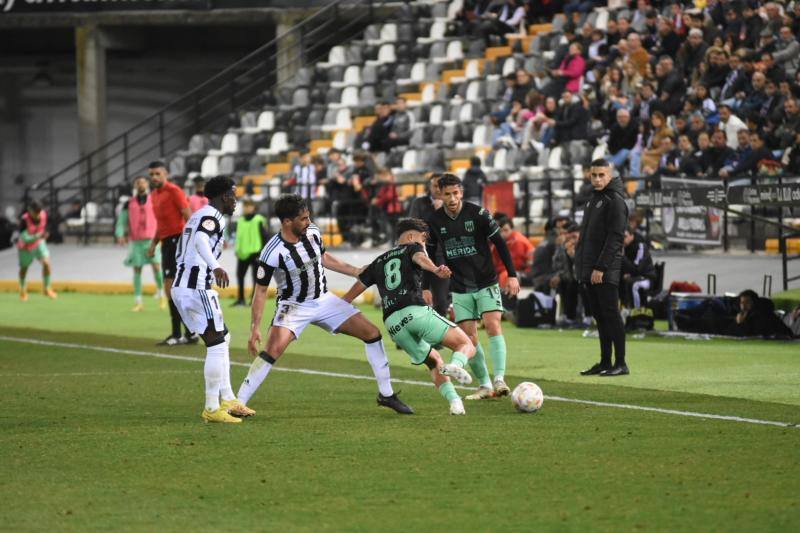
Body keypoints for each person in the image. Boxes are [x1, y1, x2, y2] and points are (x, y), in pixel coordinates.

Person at [237, 194, 413, 414]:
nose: (308, 222)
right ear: (287, 222)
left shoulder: (312, 232)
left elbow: (324, 257)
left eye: (308, 216)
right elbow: (260, 291)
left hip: (324, 300)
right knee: (271, 352)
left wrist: (354, 270)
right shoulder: (272, 252)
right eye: (302, 218)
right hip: (293, 306)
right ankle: (239, 402)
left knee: (372, 333)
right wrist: (255, 328)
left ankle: (386, 395)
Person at [342, 218, 477, 415]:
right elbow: (421, 259)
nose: (424, 245)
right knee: (466, 345)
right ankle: (455, 366)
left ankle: (455, 402)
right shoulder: (413, 248)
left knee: (434, 361)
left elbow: (354, 290)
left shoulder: (378, 261)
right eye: (423, 239)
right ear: (412, 236)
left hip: (393, 325)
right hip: (414, 311)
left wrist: (339, 306)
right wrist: (435, 269)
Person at [425, 174, 520, 400]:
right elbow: (428, 253)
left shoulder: (478, 214)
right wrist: (426, 285)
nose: (451, 198)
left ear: (461, 193)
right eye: (446, 194)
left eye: (455, 193)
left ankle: (499, 378)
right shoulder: (435, 220)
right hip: (459, 286)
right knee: (469, 338)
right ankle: (485, 385)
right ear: (440, 194)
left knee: (493, 324)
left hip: (486, 281)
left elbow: (500, 243)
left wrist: (513, 275)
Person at [171, 176, 254, 423]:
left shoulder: (197, 214)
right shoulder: (213, 216)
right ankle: (211, 406)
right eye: (233, 195)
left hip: (184, 285)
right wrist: (216, 266)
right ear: (223, 196)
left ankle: (227, 398)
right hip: (196, 287)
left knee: (222, 337)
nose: (236, 200)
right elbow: (200, 240)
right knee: (217, 343)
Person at [575, 159, 629, 377]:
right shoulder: (593, 200)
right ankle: (605, 361)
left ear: (610, 175)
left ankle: (621, 363)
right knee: (600, 317)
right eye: (594, 175)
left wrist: (600, 267)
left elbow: (615, 238)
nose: (597, 179)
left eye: (601, 175)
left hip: (604, 270)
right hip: (591, 270)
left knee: (611, 315)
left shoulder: (615, 200)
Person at [146, 161, 194, 346]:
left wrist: (192, 241)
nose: (154, 177)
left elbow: (188, 216)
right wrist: (153, 244)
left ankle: (177, 333)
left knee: (170, 287)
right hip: (166, 242)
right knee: (173, 289)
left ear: (165, 173)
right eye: (151, 174)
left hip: (178, 240)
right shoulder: (154, 195)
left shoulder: (174, 191)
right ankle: (189, 333)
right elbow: (161, 223)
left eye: (157, 173)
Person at [115, 176, 166, 312]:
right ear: (135, 186)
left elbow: (162, 217)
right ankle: (138, 302)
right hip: (136, 242)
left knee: (157, 268)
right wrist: (120, 234)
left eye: (143, 182)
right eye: (138, 183)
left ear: (147, 184)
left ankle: (162, 296)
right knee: (137, 270)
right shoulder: (129, 203)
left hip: (152, 240)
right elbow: (121, 221)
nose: (141, 185)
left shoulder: (155, 199)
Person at [408, 173, 450, 318]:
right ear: (429, 187)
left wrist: (442, 211)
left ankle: (440, 337)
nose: (438, 189)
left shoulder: (451, 205)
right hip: (420, 255)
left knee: (441, 301)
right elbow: (414, 226)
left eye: (441, 186)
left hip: (442, 256)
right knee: (416, 298)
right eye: (435, 186)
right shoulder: (419, 203)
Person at [17, 199, 56, 301]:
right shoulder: (24, 220)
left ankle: (47, 288)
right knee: (24, 269)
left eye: (39, 212)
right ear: (30, 210)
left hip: (38, 243)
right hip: (25, 247)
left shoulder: (43, 214)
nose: (38, 215)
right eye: (36, 212)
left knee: (47, 263)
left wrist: (46, 233)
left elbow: (46, 227)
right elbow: (25, 238)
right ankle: (23, 290)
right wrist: (39, 235)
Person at [232, 198, 269, 306]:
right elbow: (239, 237)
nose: (246, 208)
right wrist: (237, 250)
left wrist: (262, 252)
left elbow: (265, 237)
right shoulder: (240, 220)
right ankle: (241, 299)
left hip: (255, 253)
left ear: (253, 207)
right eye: (245, 206)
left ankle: (253, 300)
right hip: (242, 253)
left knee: (255, 278)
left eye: (249, 206)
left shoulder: (259, 219)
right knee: (240, 276)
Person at [492, 213, 534, 290]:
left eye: (506, 230)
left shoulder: (518, 242)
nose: (503, 233)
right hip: (508, 271)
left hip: (525, 272)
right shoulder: (499, 243)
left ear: (512, 229)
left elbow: (516, 264)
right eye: (501, 231)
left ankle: (507, 298)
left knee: (505, 275)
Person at [621, 228, 656, 310]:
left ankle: (636, 311)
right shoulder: (625, 247)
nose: (623, 240)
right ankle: (623, 309)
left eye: (625, 236)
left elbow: (636, 269)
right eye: (621, 237)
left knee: (634, 285)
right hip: (636, 276)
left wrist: (623, 257)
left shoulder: (641, 246)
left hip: (647, 278)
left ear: (631, 235)